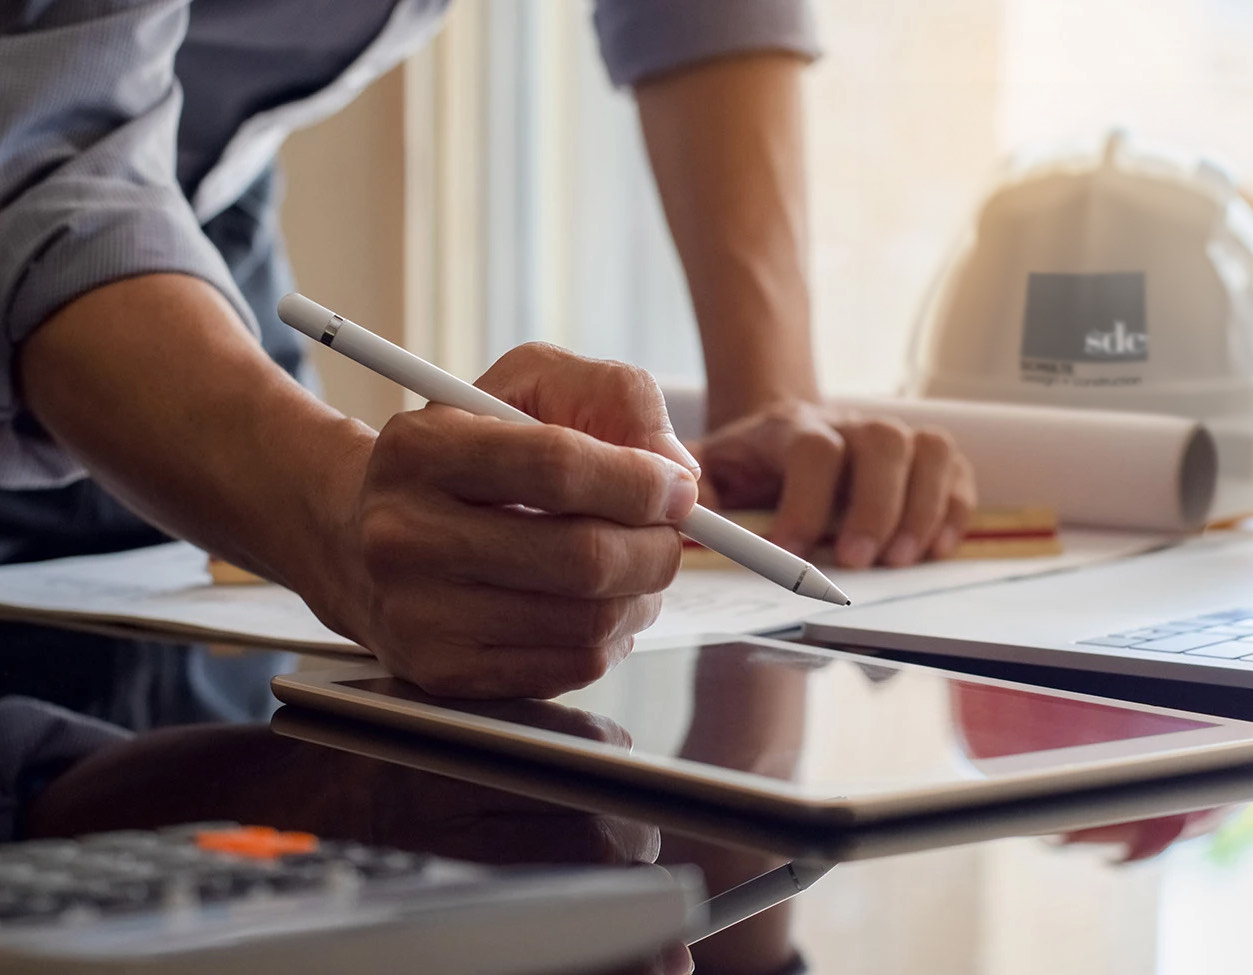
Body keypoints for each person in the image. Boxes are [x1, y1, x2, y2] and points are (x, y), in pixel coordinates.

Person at [0, 1, 974, 700]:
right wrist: (330, 515)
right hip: (82, 265)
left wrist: (768, 399)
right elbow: (38, 159)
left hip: (194, 215)